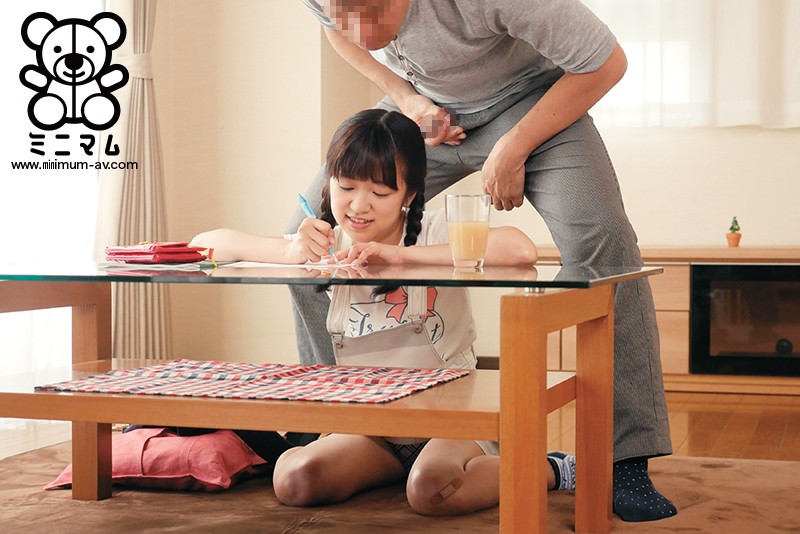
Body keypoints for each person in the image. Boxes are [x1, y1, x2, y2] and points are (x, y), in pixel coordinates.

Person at [293, 0, 676, 522]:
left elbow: (607, 62)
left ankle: (624, 458)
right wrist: (407, 98)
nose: (359, 31)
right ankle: (334, 421)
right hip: (426, 111)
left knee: (603, 243)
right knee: (307, 240)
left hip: (529, 104)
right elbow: (336, 33)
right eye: (342, 12)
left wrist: (514, 147)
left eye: (372, 11)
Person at [191, 108, 576, 515]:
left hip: (452, 421)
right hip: (375, 428)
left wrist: (400, 257)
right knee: (295, 480)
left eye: (380, 193)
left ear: (409, 195)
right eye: (346, 187)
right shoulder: (326, 244)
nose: (359, 206)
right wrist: (290, 252)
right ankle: (395, 470)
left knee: (432, 490)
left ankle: (550, 469)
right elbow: (203, 245)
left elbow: (519, 250)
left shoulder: (434, 231)